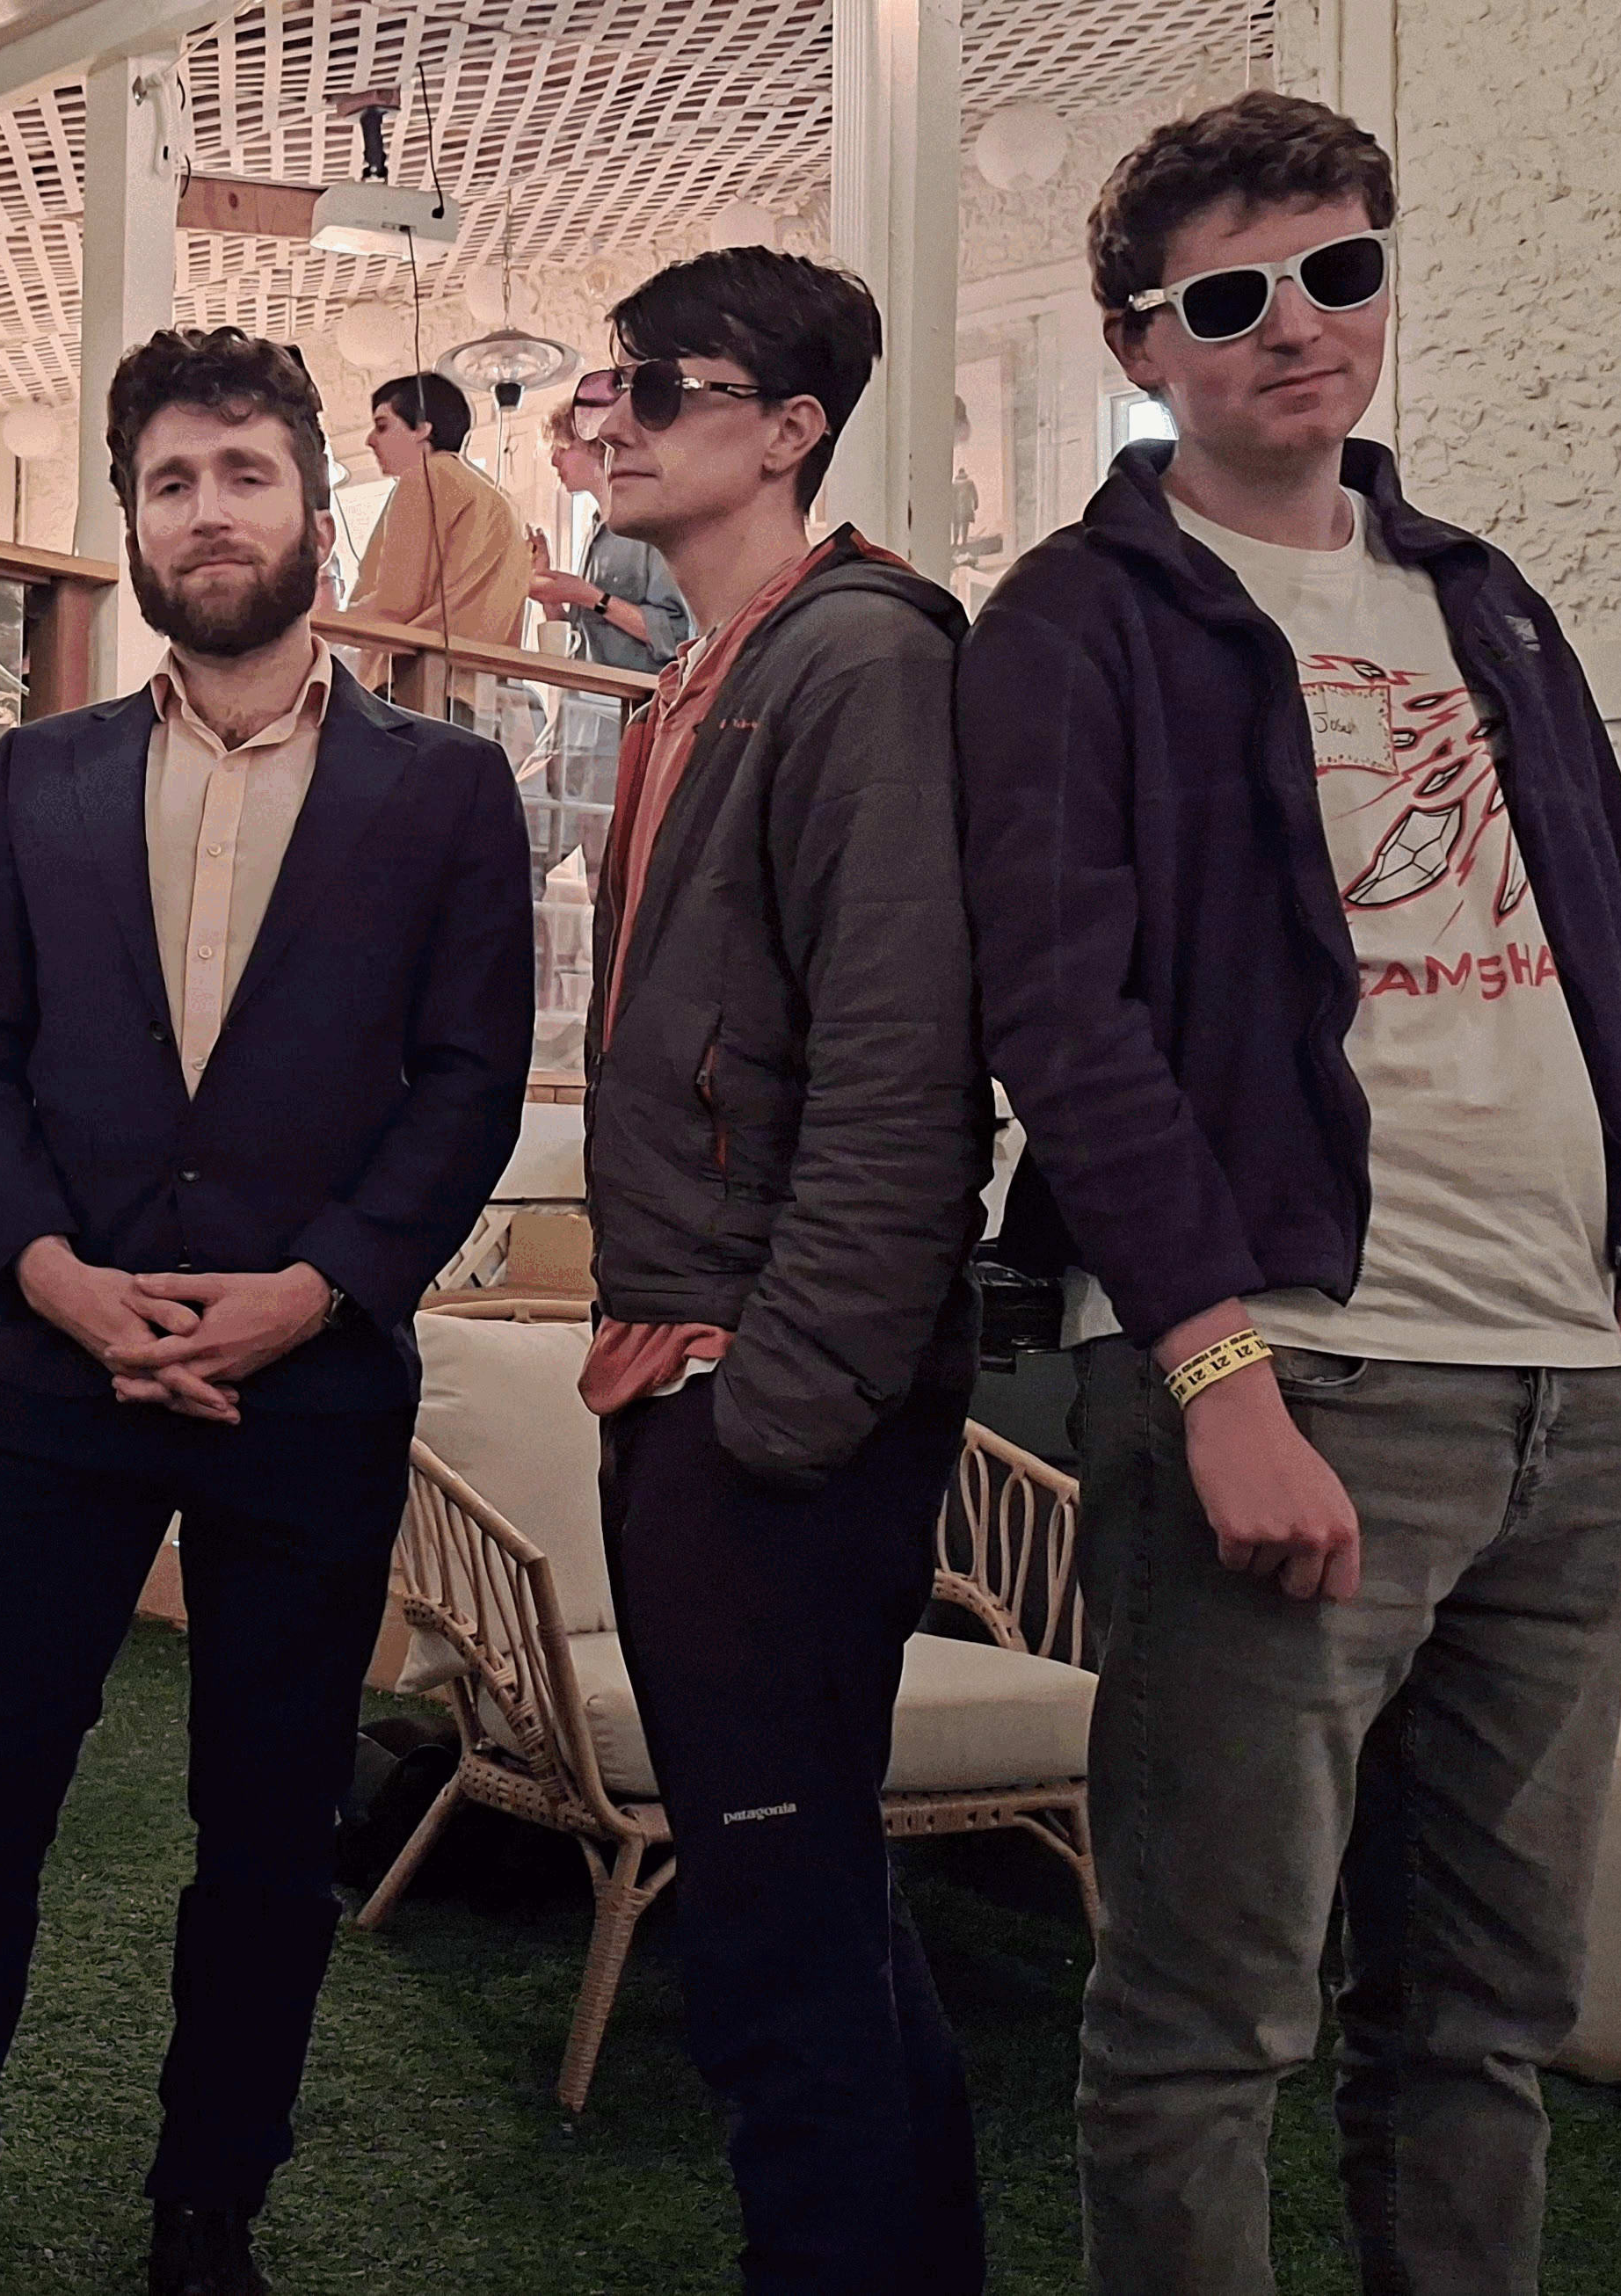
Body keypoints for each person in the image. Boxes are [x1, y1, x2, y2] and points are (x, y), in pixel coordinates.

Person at [957, 92, 1621, 2296]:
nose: (1295, 325)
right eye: (1227, 298)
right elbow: (1062, 1015)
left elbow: (1615, 933)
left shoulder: (1478, 593)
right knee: (1208, 2023)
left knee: (1486, 2020)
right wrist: (1216, 1371)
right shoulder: (1077, 619)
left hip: (1564, 1382)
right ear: (1142, 341)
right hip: (1299, 1369)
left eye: (1338, 271)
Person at [0, 326, 533, 2296]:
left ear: (314, 507)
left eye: (243, 473)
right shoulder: (40, 778)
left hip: (306, 1389)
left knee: (266, 1827)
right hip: (49, 1377)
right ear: (132, 521)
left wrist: (312, 1291)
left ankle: (205, 2212)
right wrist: (47, 1274)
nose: (207, 513)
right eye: (169, 482)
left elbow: (465, 1081)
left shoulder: (444, 789)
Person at [569, 248, 991, 2294]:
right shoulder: (706, 674)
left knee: (773, 1942)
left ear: (790, 428)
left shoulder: (858, 661)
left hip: (760, 1389)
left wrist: (769, 1408)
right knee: (797, 1917)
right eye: (605, 383)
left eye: (662, 385)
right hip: (686, 1361)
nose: (613, 416)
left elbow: (907, 1073)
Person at [346, 371, 529, 714]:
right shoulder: (499, 503)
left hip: (417, 689)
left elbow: (397, 603)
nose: (370, 440)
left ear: (422, 428)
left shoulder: (425, 478)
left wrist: (323, 623)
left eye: (382, 426)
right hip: (480, 699)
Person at [527, 408, 690, 672]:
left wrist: (589, 596)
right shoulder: (594, 532)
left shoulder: (650, 524)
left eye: (562, 448)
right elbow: (582, 643)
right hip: (586, 693)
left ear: (597, 445)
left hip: (634, 696)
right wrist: (550, 593)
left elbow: (676, 633)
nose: (554, 461)